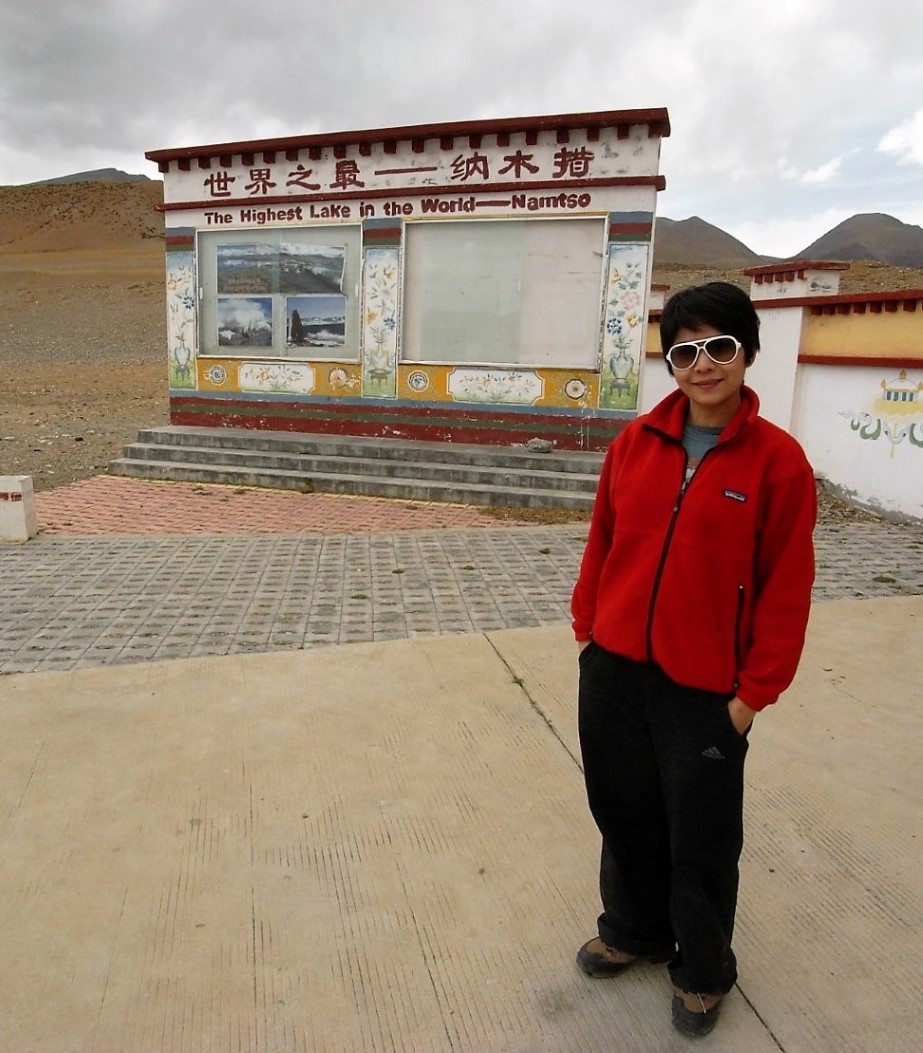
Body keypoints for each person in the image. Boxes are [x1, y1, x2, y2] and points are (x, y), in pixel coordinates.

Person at [571, 281, 816, 1038]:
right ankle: (634, 930)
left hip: (704, 689)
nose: (701, 364)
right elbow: (603, 541)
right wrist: (588, 629)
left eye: (718, 346)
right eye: (684, 350)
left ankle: (704, 970)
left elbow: (786, 588)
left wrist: (750, 696)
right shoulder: (634, 442)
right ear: (669, 361)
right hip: (613, 669)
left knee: (702, 838)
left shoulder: (778, 462)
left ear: (745, 352)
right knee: (623, 813)